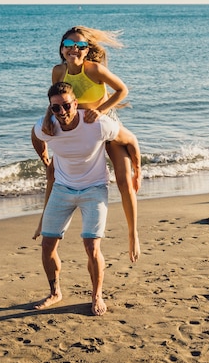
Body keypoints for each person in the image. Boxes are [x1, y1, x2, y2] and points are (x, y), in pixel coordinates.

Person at [31, 82, 141, 316]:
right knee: (47, 245)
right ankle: (55, 293)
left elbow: (130, 140)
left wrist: (137, 169)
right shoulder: (46, 126)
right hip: (62, 189)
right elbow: (36, 136)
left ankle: (97, 295)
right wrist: (45, 159)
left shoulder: (97, 124)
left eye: (66, 106)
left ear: (75, 103)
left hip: (94, 189)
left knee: (91, 246)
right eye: (56, 108)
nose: (62, 112)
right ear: (50, 109)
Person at [35, 26, 141, 264]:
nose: (75, 49)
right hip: (73, 125)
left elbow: (122, 90)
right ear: (62, 49)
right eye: (70, 45)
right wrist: (46, 119)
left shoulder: (94, 69)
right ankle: (43, 220)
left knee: (124, 181)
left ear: (87, 51)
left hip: (102, 122)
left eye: (81, 46)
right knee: (52, 171)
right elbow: (53, 98)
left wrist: (100, 111)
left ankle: (133, 233)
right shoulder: (58, 71)